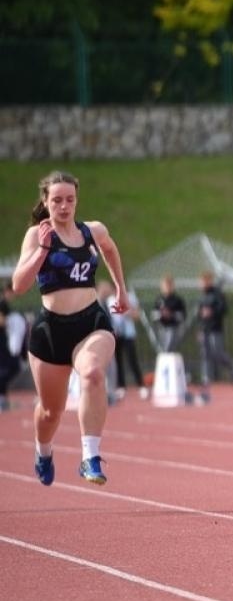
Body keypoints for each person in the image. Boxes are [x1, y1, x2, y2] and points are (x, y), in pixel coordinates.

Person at [10, 170, 130, 487]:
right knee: (51, 411)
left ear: (77, 200)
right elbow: (19, 286)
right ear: (46, 202)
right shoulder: (37, 235)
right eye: (57, 201)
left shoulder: (92, 231)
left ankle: (90, 456)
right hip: (51, 330)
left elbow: (109, 248)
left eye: (70, 200)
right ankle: (43, 451)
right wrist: (43, 250)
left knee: (92, 374)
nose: (64, 207)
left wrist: (120, 288)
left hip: (91, 321)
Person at [103, 278, 146, 399]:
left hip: (128, 332)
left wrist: (128, 312)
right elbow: (111, 316)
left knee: (132, 359)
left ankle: (141, 385)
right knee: (118, 360)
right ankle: (121, 386)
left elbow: (137, 314)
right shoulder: (110, 300)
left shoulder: (130, 297)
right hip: (116, 333)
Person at [197, 269, 233, 386]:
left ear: (209, 281)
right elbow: (200, 314)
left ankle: (232, 367)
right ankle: (206, 378)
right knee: (205, 353)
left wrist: (212, 312)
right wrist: (199, 329)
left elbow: (224, 309)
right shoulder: (202, 296)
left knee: (217, 353)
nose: (201, 284)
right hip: (205, 329)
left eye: (203, 282)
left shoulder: (218, 294)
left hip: (215, 328)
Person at [0, 286, 24, 412]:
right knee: (8, 367)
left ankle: (3, 397)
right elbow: (1, 321)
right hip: (2, 341)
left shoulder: (6, 305)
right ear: (6, 292)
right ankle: (2, 398)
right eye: (10, 292)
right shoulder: (2, 304)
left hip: (6, 340)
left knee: (10, 367)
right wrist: (8, 322)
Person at [155, 273, 187, 353]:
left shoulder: (177, 300)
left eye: (169, 285)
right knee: (162, 348)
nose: (167, 288)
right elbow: (154, 314)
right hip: (161, 327)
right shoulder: (159, 300)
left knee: (168, 348)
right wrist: (161, 314)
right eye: (165, 286)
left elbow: (182, 315)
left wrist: (171, 314)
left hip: (173, 327)